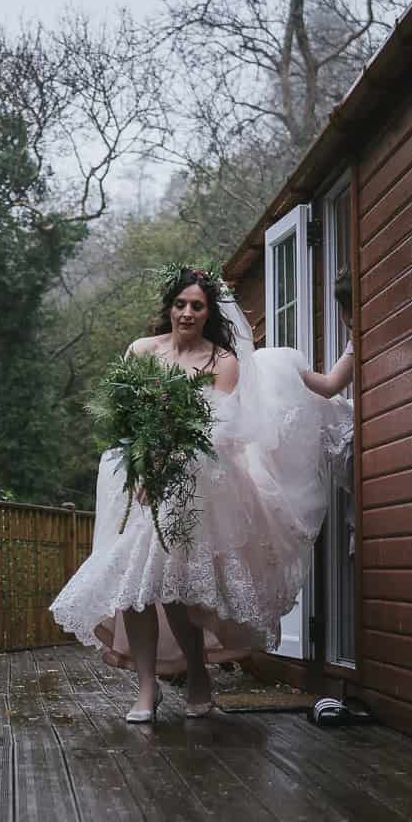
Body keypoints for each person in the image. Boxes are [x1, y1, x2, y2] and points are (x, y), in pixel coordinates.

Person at [49, 266, 355, 723]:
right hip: (139, 482)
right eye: (180, 304)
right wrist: (141, 463)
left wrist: (172, 449)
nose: (187, 313)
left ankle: (196, 674)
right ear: (169, 308)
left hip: (192, 486)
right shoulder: (141, 351)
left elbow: (222, 430)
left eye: (197, 306)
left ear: (209, 313)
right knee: (135, 586)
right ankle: (147, 689)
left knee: (173, 592)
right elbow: (126, 415)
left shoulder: (223, 360)